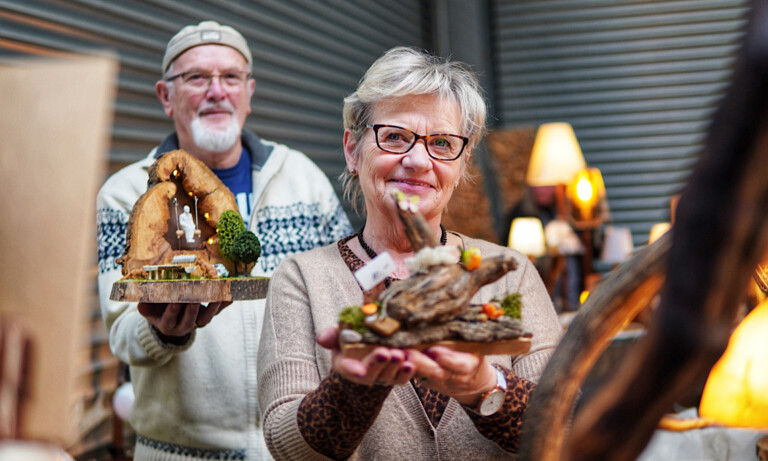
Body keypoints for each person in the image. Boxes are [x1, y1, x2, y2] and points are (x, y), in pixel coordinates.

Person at [258, 46, 563, 460]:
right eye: (395, 136)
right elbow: (285, 445)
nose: (418, 160)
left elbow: (564, 426)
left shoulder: (510, 274)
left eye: (441, 142)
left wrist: (484, 387)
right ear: (353, 149)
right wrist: (350, 392)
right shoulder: (301, 278)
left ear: (462, 162)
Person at [96, 20, 352, 460]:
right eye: (196, 77)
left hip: (299, 444)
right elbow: (121, 331)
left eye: (231, 77)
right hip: (180, 453)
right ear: (165, 96)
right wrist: (164, 330)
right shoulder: (126, 193)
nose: (217, 91)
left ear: (249, 92)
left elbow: (348, 289)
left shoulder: (302, 179)